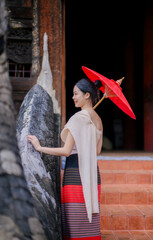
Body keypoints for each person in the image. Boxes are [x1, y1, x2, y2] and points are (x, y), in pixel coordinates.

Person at [27, 78, 103, 240]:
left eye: (76, 94)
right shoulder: (98, 119)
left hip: (75, 174)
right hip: (92, 174)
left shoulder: (78, 118)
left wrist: (39, 147)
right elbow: (97, 151)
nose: (73, 97)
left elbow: (66, 151)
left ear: (87, 95)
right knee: (88, 223)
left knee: (75, 226)